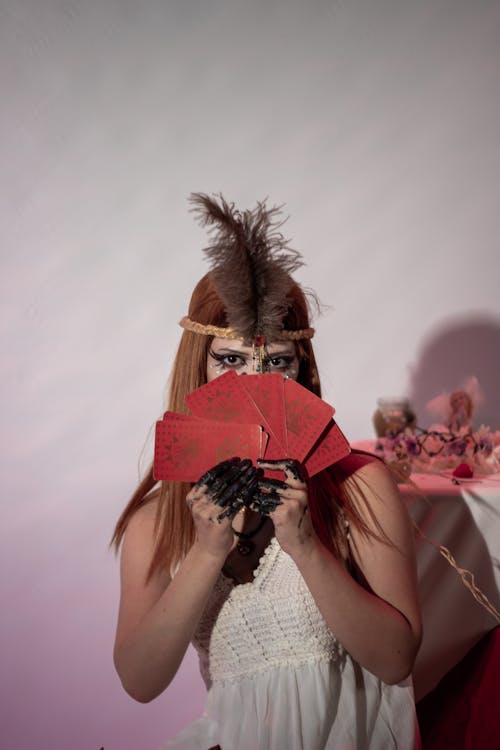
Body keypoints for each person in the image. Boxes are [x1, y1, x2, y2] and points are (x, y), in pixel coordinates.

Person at [112, 194, 423, 750]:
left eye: (276, 361)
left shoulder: (360, 488)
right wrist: (206, 553)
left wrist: (305, 547)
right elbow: (140, 681)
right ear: (198, 365)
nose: (254, 388)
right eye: (229, 360)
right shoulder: (158, 522)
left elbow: (397, 661)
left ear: (301, 370)